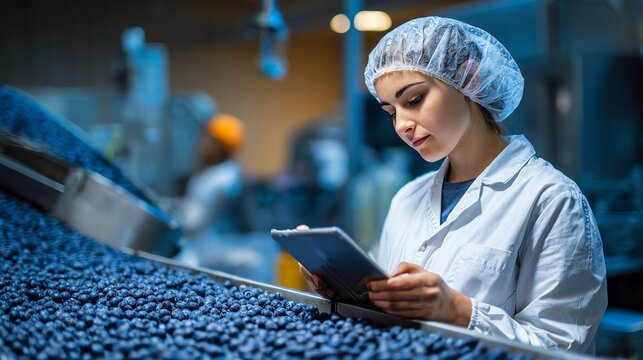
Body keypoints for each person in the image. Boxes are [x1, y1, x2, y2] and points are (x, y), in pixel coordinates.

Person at [299, 16, 607, 353]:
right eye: (391, 111)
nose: (402, 125)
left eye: (414, 100)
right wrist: (340, 283)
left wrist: (457, 311)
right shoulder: (407, 198)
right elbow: (382, 300)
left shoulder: (551, 200)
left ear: (469, 80)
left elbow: (563, 347)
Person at [180, 114, 245, 238]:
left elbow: (194, 224)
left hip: (208, 245)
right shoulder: (221, 171)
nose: (202, 141)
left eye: (208, 137)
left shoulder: (223, 178)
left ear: (220, 146)